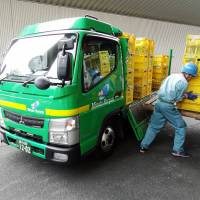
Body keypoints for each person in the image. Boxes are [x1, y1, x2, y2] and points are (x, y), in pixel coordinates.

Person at [140, 62, 198, 157]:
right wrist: (187, 95)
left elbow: (164, 88)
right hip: (168, 106)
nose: (191, 78)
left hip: (158, 103)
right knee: (181, 127)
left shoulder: (172, 75)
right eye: (191, 76)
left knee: (154, 126)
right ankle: (177, 150)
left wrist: (184, 94)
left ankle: (143, 146)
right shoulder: (184, 82)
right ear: (187, 74)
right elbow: (177, 98)